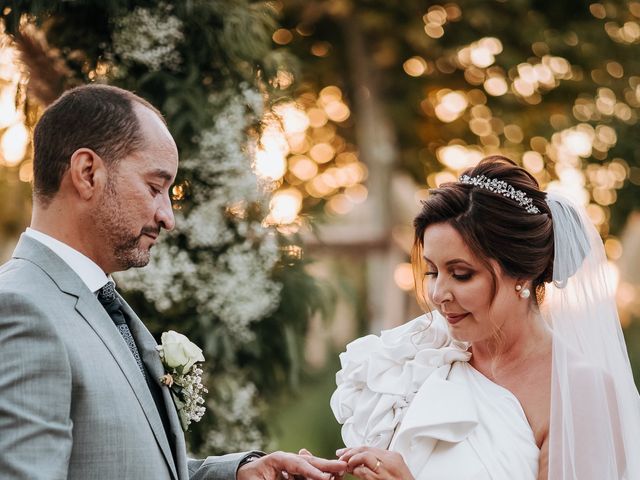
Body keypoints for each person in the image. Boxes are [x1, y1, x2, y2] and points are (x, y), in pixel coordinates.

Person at [0, 84, 346, 480]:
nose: (168, 217)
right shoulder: (19, 310)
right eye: (154, 187)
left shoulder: (97, 301)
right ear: (87, 173)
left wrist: (237, 474)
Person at [331, 156, 640, 479]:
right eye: (433, 271)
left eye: (461, 274)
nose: (438, 294)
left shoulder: (579, 391)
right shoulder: (420, 357)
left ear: (521, 273)